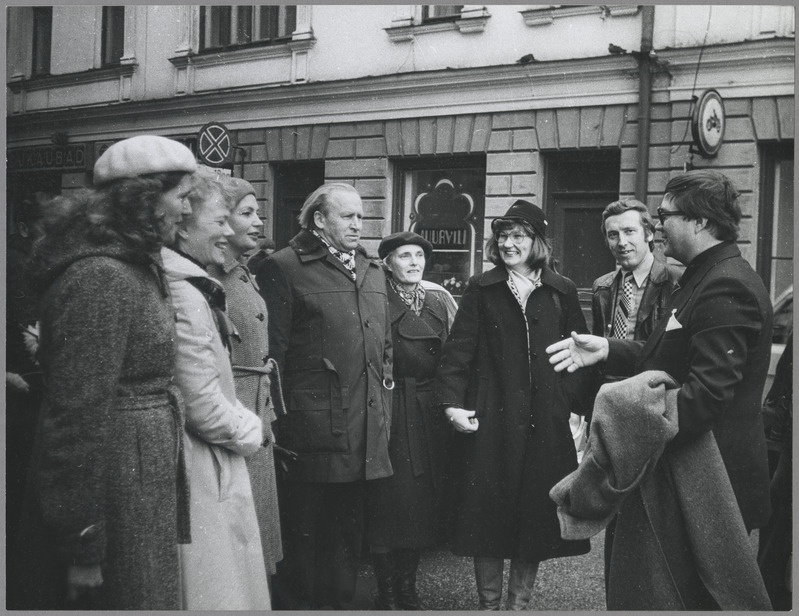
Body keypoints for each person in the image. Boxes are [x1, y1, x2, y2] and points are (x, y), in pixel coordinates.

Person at [547, 169, 774, 608]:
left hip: (706, 487)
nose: (657, 227)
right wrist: (607, 350)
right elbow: (668, 355)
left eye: (664, 215)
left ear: (701, 221)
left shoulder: (725, 283)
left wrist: (624, 436)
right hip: (687, 478)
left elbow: (704, 400)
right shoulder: (704, 275)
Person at [10, 135, 196, 609]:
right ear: (144, 200)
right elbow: (74, 418)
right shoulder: (102, 276)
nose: (189, 211)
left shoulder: (131, 266)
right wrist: (82, 543)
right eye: (183, 197)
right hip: (116, 490)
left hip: (133, 478)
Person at [434, 199, 592, 611]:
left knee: (534, 516)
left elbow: (583, 354)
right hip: (492, 419)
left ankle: (518, 605)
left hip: (545, 423)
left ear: (537, 241)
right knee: (485, 514)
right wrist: (452, 404)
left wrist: (569, 404)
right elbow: (458, 352)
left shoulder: (562, 290)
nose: (507, 243)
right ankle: (489, 606)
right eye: (502, 235)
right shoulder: (481, 288)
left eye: (518, 235)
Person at [255, 182, 394, 609]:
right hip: (311, 435)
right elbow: (271, 356)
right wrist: (281, 425)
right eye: (347, 216)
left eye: (360, 216)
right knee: (306, 547)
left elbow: (384, 347)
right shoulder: (283, 267)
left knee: (349, 543)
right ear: (319, 220)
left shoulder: (370, 268)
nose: (358, 224)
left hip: (364, 430)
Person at [162, 173, 271, 609]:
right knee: (215, 586)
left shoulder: (190, 282)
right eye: (222, 219)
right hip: (204, 461)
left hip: (209, 456)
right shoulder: (186, 291)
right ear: (183, 222)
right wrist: (251, 430)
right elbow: (200, 402)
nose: (229, 230)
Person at [589, 198, 681, 592]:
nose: (621, 241)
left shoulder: (674, 281)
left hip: (654, 406)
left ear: (649, 233)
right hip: (615, 408)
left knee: (657, 513)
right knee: (619, 513)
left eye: (629, 232)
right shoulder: (603, 287)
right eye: (613, 234)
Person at [367, 231, 453, 610]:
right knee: (391, 503)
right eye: (405, 256)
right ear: (387, 262)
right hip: (394, 408)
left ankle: (408, 588)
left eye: (419, 255)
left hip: (430, 410)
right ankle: (387, 592)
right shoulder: (377, 301)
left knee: (422, 503)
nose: (415, 262)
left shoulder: (435, 301)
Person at [207, 173, 284, 582]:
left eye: (259, 213)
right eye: (247, 213)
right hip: (233, 414)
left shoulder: (239, 270)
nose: (259, 222)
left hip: (255, 412)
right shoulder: (212, 275)